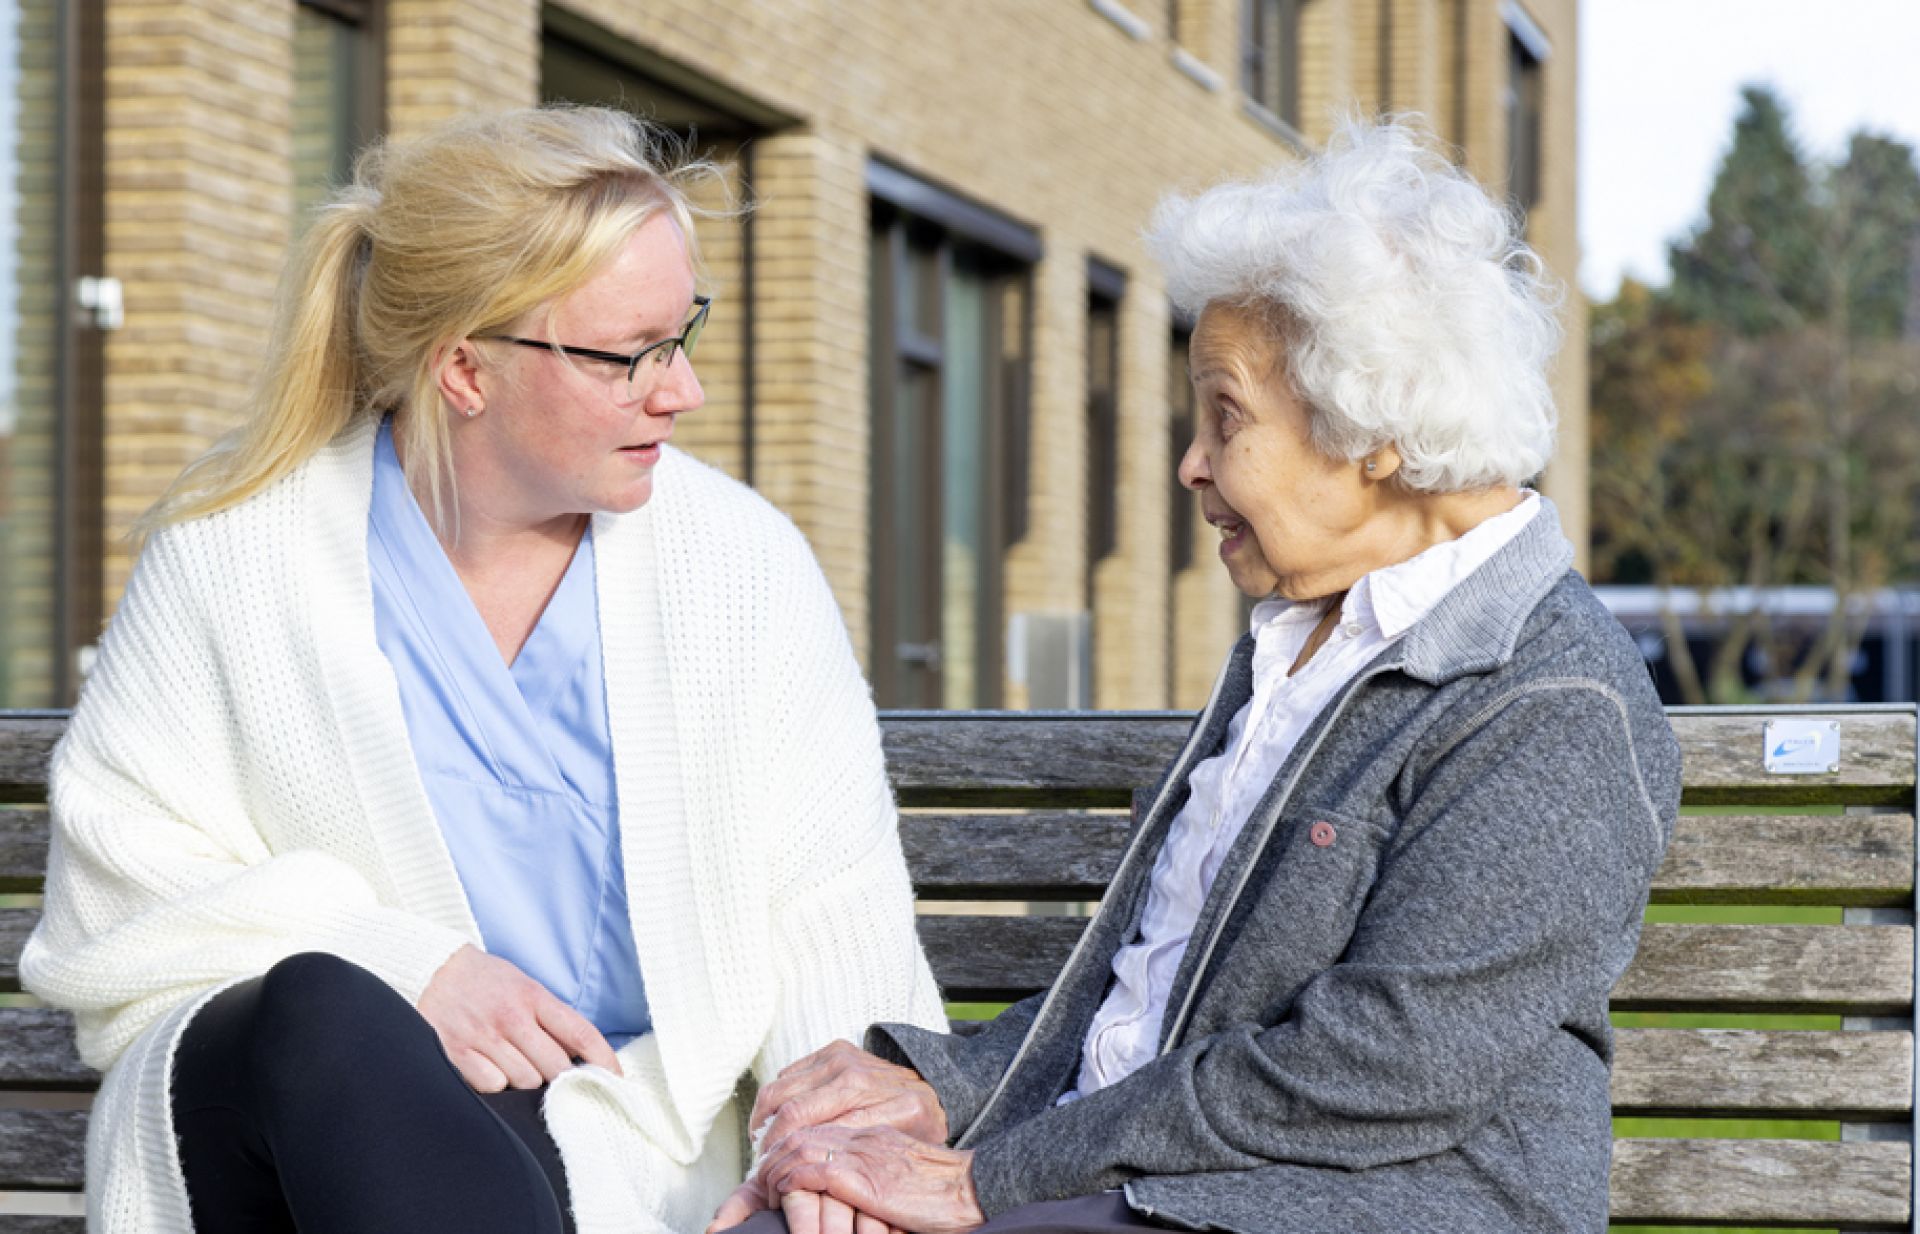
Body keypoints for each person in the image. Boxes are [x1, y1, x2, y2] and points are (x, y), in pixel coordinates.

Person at [712, 120, 1682, 1234]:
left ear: (1373, 428)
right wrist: (946, 1092)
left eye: (1225, 413)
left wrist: (987, 1178)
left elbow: (1380, 1071)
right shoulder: (1309, 635)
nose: (1191, 462)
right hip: (1169, 1181)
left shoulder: (1550, 701)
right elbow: (1163, 982)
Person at [22, 105, 945, 1234]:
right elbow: (117, 896)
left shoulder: (739, 563)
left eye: (683, 333)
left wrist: (830, 1139)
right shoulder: (235, 556)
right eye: (629, 356)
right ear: (464, 369)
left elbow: (830, 904)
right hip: (280, 1134)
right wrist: (406, 967)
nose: (681, 390)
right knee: (325, 1008)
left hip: (607, 1149)